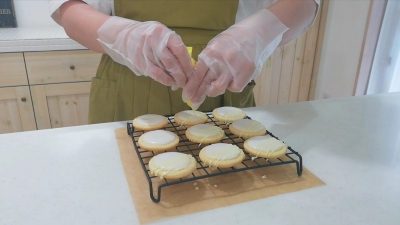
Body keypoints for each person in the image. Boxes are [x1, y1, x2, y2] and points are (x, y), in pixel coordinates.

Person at [49, 0, 319, 124]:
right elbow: (68, 8)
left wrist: (260, 32)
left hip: (222, 82)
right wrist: (121, 36)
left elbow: (304, 3)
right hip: (127, 82)